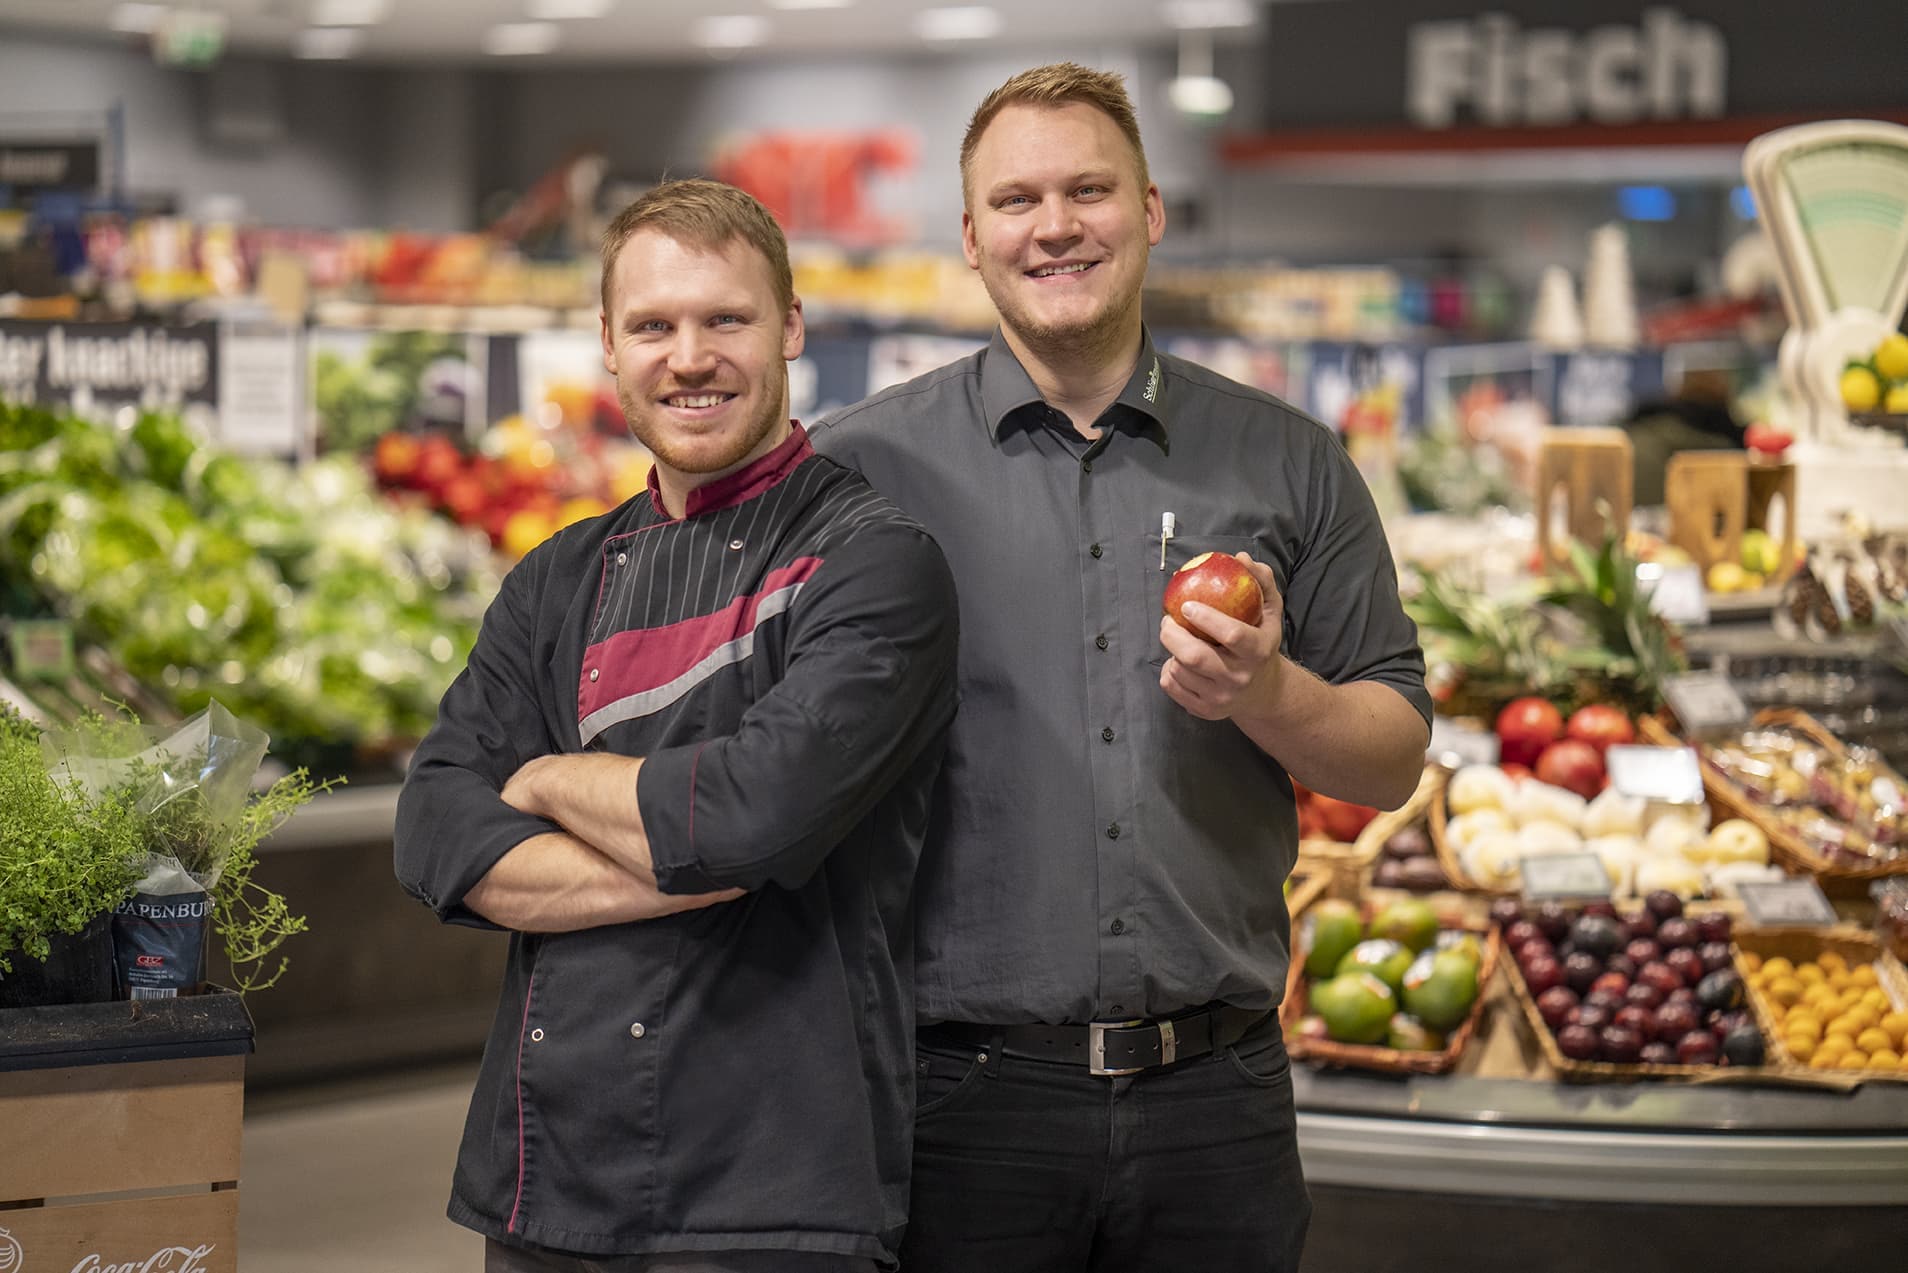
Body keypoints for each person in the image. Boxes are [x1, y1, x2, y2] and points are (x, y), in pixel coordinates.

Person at [811, 64, 1432, 1272]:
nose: (1056, 226)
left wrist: (1271, 694)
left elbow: (1396, 752)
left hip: (1219, 1095)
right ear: (973, 238)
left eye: (1089, 189)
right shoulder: (856, 475)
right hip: (960, 1101)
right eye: (1018, 200)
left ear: (1149, 210)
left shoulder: (1291, 461)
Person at [394, 178, 959, 1273]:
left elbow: (753, 819)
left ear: (790, 326)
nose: (688, 358)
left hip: (775, 1185)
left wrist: (553, 778)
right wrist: (693, 847)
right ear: (609, 344)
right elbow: (434, 831)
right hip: (546, 1175)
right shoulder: (556, 578)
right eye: (653, 325)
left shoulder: (875, 561)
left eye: (725, 320)